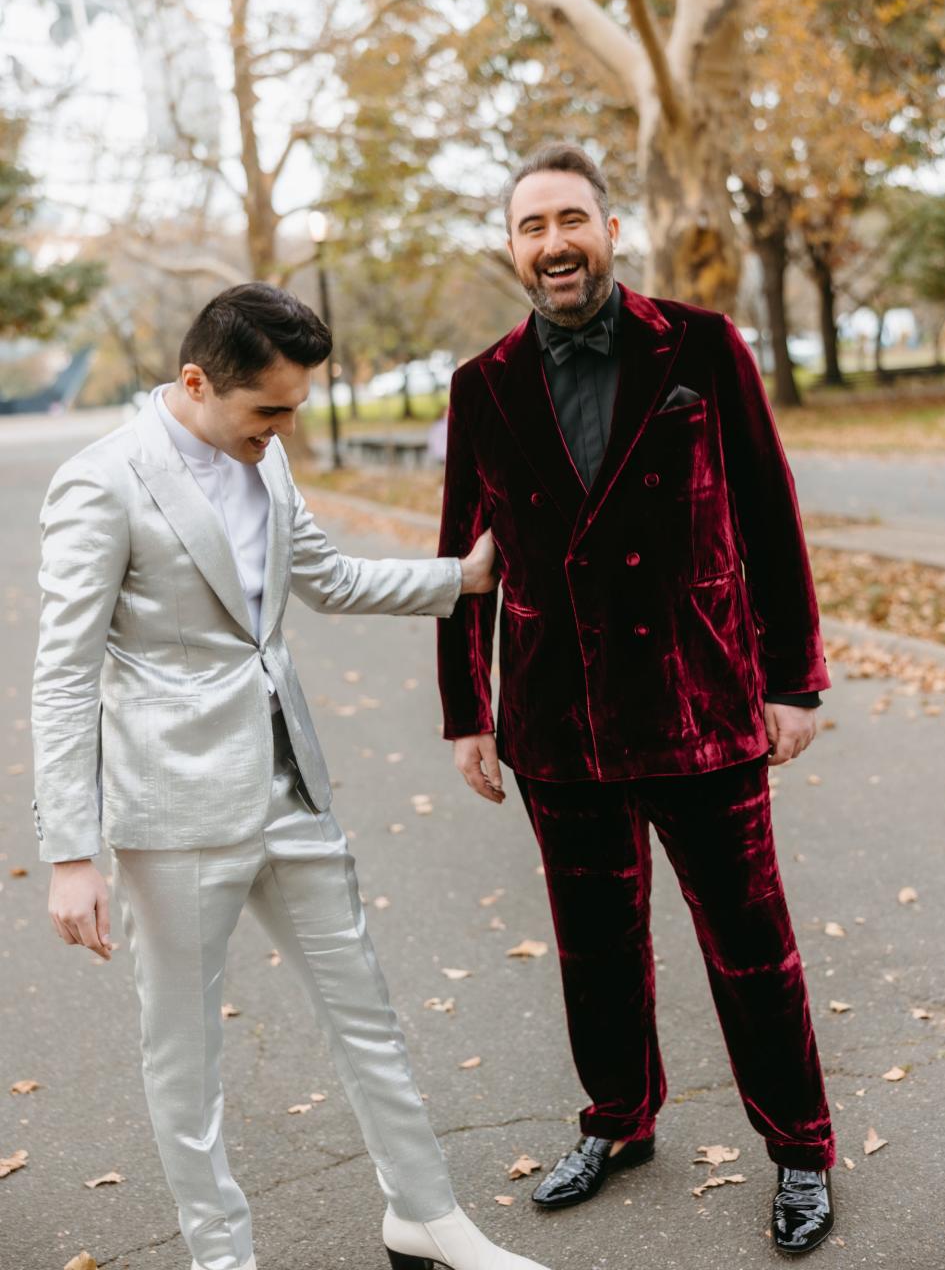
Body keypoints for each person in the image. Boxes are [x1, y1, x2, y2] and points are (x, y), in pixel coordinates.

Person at [32, 283, 550, 1270]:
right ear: (195, 382)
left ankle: (425, 1216)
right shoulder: (104, 483)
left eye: (296, 410)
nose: (283, 432)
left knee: (368, 1015)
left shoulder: (263, 463)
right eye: (268, 411)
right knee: (186, 1063)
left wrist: (461, 580)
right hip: (174, 813)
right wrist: (70, 853)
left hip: (290, 785)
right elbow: (61, 679)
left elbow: (327, 578)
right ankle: (222, 1259)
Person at [437, 144, 836, 1256]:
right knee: (594, 949)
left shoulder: (702, 347)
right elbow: (460, 555)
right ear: (511, 249)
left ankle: (801, 1145)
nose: (554, 243)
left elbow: (769, 513)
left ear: (612, 231)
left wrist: (791, 678)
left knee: (752, 949)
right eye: (532, 227)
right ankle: (618, 1123)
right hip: (558, 723)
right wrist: (467, 710)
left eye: (572, 219)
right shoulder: (482, 385)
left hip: (700, 702)